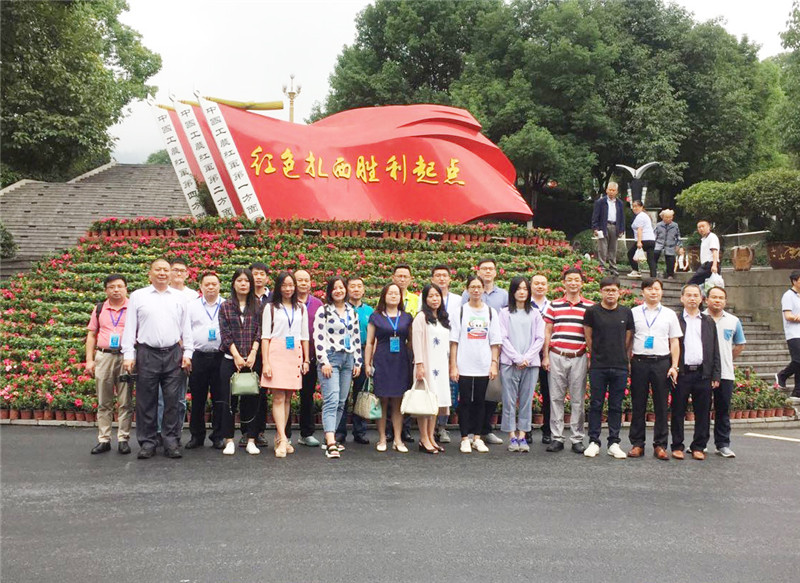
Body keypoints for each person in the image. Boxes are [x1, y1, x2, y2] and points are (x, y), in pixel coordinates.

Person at [121, 258, 193, 459]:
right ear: (150, 274)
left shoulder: (179, 298)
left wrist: (188, 353)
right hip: (147, 353)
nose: (162, 273)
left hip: (173, 354)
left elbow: (186, 327)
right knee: (146, 400)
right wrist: (129, 355)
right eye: (158, 270)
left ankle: (171, 441)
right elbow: (130, 327)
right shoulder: (138, 296)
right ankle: (148, 442)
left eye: (166, 270)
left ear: (170, 274)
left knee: (172, 400)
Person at [628, 278, 682, 460]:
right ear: (643, 291)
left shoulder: (669, 314)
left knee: (661, 405)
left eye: (657, 289)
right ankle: (637, 444)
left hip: (662, 363)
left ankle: (660, 445)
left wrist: (674, 366)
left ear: (662, 292)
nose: (653, 292)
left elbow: (674, 341)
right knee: (638, 404)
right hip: (639, 362)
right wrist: (628, 361)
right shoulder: (633, 313)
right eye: (650, 289)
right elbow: (629, 339)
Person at [542, 268, 593, 453]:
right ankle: (557, 437)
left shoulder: (590, 307)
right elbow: (548, 331)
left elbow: (592, 334)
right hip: (557, 355)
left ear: (582, 283)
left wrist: (590, 356)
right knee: (556, 398)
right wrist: (545, 355)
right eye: (569, 279)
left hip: (579, 356)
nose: (573, 283)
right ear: (564, 283)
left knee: (577, 399)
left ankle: (577, 438)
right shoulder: (554, 305)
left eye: (576, 280)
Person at [582, 276, 634, 459]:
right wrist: (596, 354)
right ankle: (594, 441)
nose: (610, 293)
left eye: (614, 290)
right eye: (607, 290)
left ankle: (614, 442)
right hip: (599, 365)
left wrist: (622, 356)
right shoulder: (592, 312)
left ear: (619, 292)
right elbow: (588, 337)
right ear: (601, 291)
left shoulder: (626, 312)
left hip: (619, 365)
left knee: (616, 405)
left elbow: (628, 338)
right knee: (596, 404)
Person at [450, 275, 502, 454]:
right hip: (464, 364)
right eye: (472, 287)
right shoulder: (460, 312)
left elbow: (495, 342)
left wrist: (494, 363)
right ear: (467, 289)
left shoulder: (490, 312)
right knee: (464, 401)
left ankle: (477, 438)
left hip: (483, 364)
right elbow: (454, 341)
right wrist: (453, 365)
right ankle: (465, 438)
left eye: (479, 287)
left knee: (481, 401)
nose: (476, 290)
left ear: (483, 289)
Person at [461, 258, 509, 446]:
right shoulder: (467, 295)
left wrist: (496, 357)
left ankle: (485, 430)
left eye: (491, 269)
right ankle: (470, 432)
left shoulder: (503, 295)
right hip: (470, 350)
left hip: (493, 349)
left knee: (491, 393)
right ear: (478, 271)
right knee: (470, 395)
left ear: (496, 272)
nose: (488, 271)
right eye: (484, 268)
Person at [261, 271, 309, 458]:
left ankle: (281, 437)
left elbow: (305, 336)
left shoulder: (301, 308)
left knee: (288, 397)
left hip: (294, 352)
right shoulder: (271, 307)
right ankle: (282, 439)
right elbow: (265, 337)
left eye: (291, 285)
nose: (288, 289)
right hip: (276, 352)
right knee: (278, 397)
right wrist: (266, 362)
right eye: (284, 285)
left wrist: (306, 359)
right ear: (278, 287)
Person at [671, 284, 721, 460]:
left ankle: (699, 446)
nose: (692, 298)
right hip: (682, 372)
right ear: (682, 298)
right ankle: (677, 445)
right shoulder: (675, 320)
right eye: (689, 295)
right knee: (678, 410)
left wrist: (715, 374)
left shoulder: (708, 322)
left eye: (695, 295)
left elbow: (715, 349)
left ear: (701, 299)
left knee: (703, 411)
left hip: (703, 373)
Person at [314, 276, 362, 459]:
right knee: (332, 399)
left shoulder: (352, 311)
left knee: (342, 401)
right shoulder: (324, 311)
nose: (339, 291)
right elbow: (318, 337)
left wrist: (357, 361)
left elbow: (356, 337)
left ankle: (330, 437)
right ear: (330, 291)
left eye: (341, 287)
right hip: (331, 358)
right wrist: (323, 361)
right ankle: (331, 442)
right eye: (335, 288)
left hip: (348, 358)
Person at [217, 268, 263, 456]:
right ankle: (229, 440)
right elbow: (225, 334)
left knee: (252, 400)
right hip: (231, 360)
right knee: (229, 401)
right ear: (234, 283)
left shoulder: (258, 305)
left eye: (247, 281)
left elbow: (260, 331)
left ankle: (251, 439)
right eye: (239, 280)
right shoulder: (226, 306)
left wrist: (253, 353)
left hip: (252, 360)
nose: (243, 284)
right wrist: (236, 355)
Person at [364, 283, 413, 453]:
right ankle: (382, 437)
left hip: (401, 361)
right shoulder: (376, 317)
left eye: (396, 293)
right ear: (384, 296)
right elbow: (370, 342)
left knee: (398, 401)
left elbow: (411, 341)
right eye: (390, 293)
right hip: (382, 360)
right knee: (382, 401)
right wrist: (367, 363)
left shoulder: (407, 317)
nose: (393, 296)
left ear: (401, 297)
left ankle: (398, 439)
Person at [86, 274, 132, 455]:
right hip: (104, 357)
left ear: (126, 288)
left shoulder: (133, 308)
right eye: (112, 287)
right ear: (106, 290)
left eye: (120, 286)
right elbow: (91, 335)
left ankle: (123, 439)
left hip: (125, 357)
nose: (116, 290)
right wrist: (89, 360)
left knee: (125, 400)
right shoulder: (99, 309)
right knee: (104, 401)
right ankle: (104, 439)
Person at [498, 277, 544, 453]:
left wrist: (527, 358)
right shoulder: (504, 313)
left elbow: (540, 338)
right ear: (513, 291)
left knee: (526, 401)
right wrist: (517, 358)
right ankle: (512, 435)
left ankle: (523, 435)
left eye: (525, 289)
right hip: (509, 363)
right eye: (518, 289)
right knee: (509, 401)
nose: (522, 292)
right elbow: (503, 338)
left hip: (530, 365)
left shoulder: (535, 313)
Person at [704, 286, 746, 457]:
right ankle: (700, 443)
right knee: (702, 409)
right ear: (706, 300)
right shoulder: (699, 318)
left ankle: (722, 444)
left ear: (725, 301)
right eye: (714, 297)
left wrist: (727, 359)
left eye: (721, 298)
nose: (717, 300)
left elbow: (740, 345)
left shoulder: (733, 321)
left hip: (726, 373)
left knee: (723, 410)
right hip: (703, 373)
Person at [185, 272, 224, 450]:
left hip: (220, 356)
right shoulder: (191, 306)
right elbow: (186, 331)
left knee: (219, 398)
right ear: (200, 286)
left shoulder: (226, 305)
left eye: (214, 284)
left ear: (219, 286)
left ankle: (218, 436)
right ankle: (196, 435)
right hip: (198, 356)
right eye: (207, 284)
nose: (210, 287)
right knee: (198, 398)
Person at [411, 283, 452, 454]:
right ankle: (423, 438)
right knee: (425, 402)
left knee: (435, 402)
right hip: (426, 365)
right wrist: (419, 364)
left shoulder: (442, 318)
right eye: (431, 296)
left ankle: (431, 437)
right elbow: (416, 342)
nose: (435, 299)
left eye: (437, 296)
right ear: (425, 299)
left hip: (441, 365)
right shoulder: (421, 317)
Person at [335, 277, 373, 445]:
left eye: (359, 286)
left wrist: (370, 359)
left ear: (363, 290)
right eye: (352, 286)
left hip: (363, 351)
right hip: (344, 352)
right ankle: (339, 431)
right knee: (342, 394)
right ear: (347, 289)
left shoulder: (370, 311)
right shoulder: (340, 309)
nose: (356, 289)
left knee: (360, 393)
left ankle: (360, 431)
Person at [290, 269, 325, 447]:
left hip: (310, 357)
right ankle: (285, 434)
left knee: (307, 395)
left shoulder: (318, 304)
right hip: (289, 356)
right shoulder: (288, 302)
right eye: (300, 280)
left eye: (306, 280)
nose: (303, 283)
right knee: (286, 396)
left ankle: (306, 433)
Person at [431, 264, 462, 443]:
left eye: (444, 275)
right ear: (432, 279)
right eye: (438, 275)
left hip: (451, 348)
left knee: (448, 389)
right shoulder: (426, 297)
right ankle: (430, 427)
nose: (441, 278)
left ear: (450, 279)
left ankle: (442, 427)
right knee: (432, 387)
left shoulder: (458, 300)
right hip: (433, 349)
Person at [388, 264, 418, 443]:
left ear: (410, 279)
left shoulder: (416, 300)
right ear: (393, 278)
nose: (402, 279)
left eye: (405, 276)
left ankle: (405, 428)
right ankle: (389, 429)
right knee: (390, 388)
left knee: (407, 387)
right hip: (391, 348)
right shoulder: (387, 297)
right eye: (399, 276)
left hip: (409, 347)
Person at [247, 261, 270, 447]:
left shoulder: (273, 298)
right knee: (247, 391)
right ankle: (246, 431)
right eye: (255, 273)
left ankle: (260, 431)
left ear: (267, 278)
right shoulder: (244, 297)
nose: (259, 277)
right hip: (248, 351)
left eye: (262, 274)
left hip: (268, 352)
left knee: (263, 392)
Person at [530, 274, 552, 444]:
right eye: (536, 283)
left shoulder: (552, 306)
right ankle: (526, 429)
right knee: (527, 393)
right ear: (530, 286)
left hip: (547, 354)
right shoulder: (524, 305)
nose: (539, 286)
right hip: (528, 353)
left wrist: (547, 355)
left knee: (548, 392)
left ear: (547, 287)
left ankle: (547, 430)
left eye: (543, 284)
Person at [591, 181, 625, 275]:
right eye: (610, 190)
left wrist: (622, 229)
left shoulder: (620, 203)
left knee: (613, 248)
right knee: (602, 248)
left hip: (615, 226)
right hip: (603, 226)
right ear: (606, 190)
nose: (611, 192)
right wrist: (595, 228)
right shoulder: (600, 202)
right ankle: (602, 267)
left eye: (613, 190)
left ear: (616, 191)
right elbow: (595, 216)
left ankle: (613, 268)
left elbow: (622, 217)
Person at [775, 269, 800, 397]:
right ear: (794, 281)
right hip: (793, 334)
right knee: (798, 360)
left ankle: (797, 392)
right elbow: (788, 316)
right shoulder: (788, 295)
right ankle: (782, 375)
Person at [627, 200, 656, 278]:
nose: (634, 208)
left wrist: (639, 242)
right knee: (650, 259)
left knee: (630, 254)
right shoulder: (645, 215)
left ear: (641, 207)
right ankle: (653, 277)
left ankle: (635, 270)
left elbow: (640, 229)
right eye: (633, 206)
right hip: (651, 240)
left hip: (644, 240)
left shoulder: (640, 216)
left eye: (637, 206)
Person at [688, 220, 721, 286]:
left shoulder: (712, 237)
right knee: (705, 286)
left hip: (710, 265)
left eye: (703, 226)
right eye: (699, 227)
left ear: (709, 227)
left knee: (692, 283)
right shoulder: (704, 239)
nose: (701, 229)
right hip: (704, 265)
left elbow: (714, 251)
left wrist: (714, 265)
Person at [653, 209, 681, 280]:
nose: (668, 219)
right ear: (662, 217)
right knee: (654, 254)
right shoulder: (658, 225)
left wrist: (678, 245)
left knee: (671, 259)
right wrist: (653, 244)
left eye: (670, 217)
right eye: (666, 217)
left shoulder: (675, 225)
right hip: (659, 244)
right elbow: (654, 235)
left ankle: (670, 275)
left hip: (670, 245)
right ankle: (653, 272)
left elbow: (678, 236)